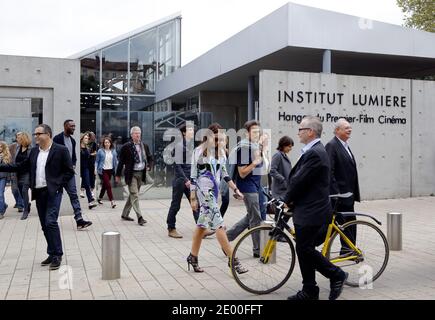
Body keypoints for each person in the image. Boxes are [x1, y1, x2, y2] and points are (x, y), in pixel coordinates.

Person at [282, 116, 348, 301]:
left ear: (310, 131)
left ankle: (336, 274)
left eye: (301, 129)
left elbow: (299, 181)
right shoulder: (312, 151)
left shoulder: (315, 153)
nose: (298, 132)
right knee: (304, 248)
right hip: (308, 209)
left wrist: (286, 200)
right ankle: (310, 290)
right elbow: (300, 180)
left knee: (305, 249)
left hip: (312, 211)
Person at [0, 124, 75, 270]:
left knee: (50, 221)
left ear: (47, 134)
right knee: (44, 224)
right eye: (35, 134)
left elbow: (69, 171)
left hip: (53, 192)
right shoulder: (34, 152)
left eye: (38, 134)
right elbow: (19, 166)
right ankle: (52, 251)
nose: (35, 136)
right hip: (39, 193)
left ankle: (57, 254)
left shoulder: (61, 150)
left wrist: (58, 184)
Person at [187, 123, 247, 274]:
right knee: (219, 225)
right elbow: (193, 176)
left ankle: (192, 257)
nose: (219, 141)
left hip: (214, 193)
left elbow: (225, 174)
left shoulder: (221, 152)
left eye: (221, 139)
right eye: (216, 138)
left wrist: (236, 189)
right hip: (204, 192)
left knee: (201, 226)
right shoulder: (199, 152)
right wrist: (193, 198)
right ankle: (233, 260)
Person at [226, 120, 263, 258]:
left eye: (258, 131)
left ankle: (226, 238)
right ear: (247, 133)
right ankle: (258, 250)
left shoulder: (254, 146)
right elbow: (242, 172)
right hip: (247, 187)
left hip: (256, 186)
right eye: (254, 132)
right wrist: (254, 163)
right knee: (256, 217)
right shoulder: (244, 149)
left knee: (251, 216)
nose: (257, 134)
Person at [325, 118, 360, 253]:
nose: (349, 130)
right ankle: (344, 250)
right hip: (340, 196)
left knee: (349, 223)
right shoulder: (332, 145)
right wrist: (336, 194)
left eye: (350, 127)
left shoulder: (345, 145)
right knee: (340, 224)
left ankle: (348, 249)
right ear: (337, 130)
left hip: (348, 194)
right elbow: (329, 172)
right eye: (346, 128)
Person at [53, 119, 93, 230]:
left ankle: (79, 220)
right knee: (57, 197)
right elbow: (54, 156)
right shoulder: (57, 139)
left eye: (74, 126)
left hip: (69, 173)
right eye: (71, 126)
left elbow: (74, 156)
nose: (74, 128)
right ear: (65, 126)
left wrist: (73, 164)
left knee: (74, 196)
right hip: (59, 174)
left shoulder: (73, 141)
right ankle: (52, 221)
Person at [166, 122, 199, 238]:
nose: (193, 132)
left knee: (195, 203)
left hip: (189, 179)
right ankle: (171, 228)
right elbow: (177, 166)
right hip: (181, 180)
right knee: (176, 205)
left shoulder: (190, 145)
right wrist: (186, 180)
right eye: (190, 130)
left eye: (193, 130)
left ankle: (201, 229)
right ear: (184, 133)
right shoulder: (179, 145)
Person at [115, 126, 153, 226]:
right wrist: (118, 175)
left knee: (133, 195)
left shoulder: (144, 146)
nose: (137, 135)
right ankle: (140, 217)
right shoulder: (126, 147)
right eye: (135, 133)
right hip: (131, 174)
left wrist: (150, 165)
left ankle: (124, 214)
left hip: (141, 173)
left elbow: (150, 157)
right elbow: (121, 162)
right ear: (131, 135)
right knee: (135, 194)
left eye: (139, 133)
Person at [13, 132, 32, 220]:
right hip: (18, 173)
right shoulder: (17, 148)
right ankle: (27, 203)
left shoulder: (30, 149)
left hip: (27, 173)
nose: (17, 140)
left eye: (19, 138)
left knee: (24, 189)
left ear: (23, 139)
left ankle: (25, 211)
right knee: (19, 190)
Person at [95, 136, 118, 208]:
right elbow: (97, 161)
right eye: (105, 142)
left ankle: (100, 198)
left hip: (110, 170)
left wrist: (118, 168)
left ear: (110, 143)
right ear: (103, 143)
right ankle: (112, 201)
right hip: (103, 170)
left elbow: (116, 161)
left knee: (105, 185)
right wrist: (95, 169)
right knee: (108, 185)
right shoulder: (100, 151)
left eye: (108, 142)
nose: (107, 144)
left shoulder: (113, 151)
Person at [80, 133, 98, 209]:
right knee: (86, 184)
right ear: (82, 139)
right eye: (85, 138)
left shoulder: (87, 148)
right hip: (80, 168)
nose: (87, 140)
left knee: (87, 184)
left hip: (87, 168)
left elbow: (90, 160)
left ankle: (90, 202)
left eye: (87, 138)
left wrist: (93, 169)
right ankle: (89, 200)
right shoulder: (78, 148)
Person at [8, 134, 24, 212]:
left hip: (22, 171)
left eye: (21, 137)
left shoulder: (26, 146)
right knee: (14, 189)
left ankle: (21, 205)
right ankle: (19, 202)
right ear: (16, 138)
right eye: (18, 137)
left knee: (22, 188)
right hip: (13, 171)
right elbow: (7, 155)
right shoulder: (12, 146)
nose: (19, 138)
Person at [0, 141, 11, 219]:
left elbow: (5, 166)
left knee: (0, 194)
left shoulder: (6, 155)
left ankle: (1, 212)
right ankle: (4, 205)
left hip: (2, 177)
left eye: (1, 147)